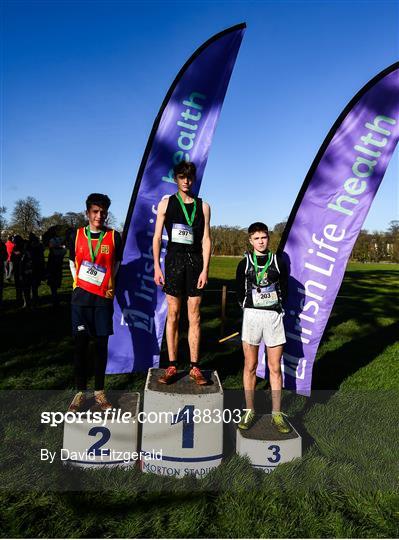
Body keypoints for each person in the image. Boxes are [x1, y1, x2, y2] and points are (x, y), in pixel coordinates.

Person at [153, 161, 211, 385]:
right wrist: (157, 266)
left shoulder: (203, 206)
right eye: (181, 177)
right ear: (176, 178)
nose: (186, 181)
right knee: (174, 315)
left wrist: (205, 269)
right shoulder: (166, 203)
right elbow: (157, 237)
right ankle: (172, 365)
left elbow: (206, 239)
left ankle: (195, 367)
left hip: (196, 262)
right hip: (174, 261)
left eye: (189, 177)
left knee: (194, 316)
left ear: (193, 179)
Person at [68, 193, 122, 412]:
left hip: (102, 300)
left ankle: (99, 391)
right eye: (95, 212)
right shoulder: (76, 235)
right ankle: (80, 393)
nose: (99, 216)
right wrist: (80, 283)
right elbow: (73, 262)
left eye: (103, 212)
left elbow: (116, 265)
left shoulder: (114, 236)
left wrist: (106, 284)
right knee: (80, 346)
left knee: (101, 347)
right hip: (80, 300)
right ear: (87, 213)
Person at [235, 222, 291, 433]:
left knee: (275, 367)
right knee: (250, 366)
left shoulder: (277, 261)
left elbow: (285, 286)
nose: (260, 241)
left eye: (264, 237)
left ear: (269, 238)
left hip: (273, 318)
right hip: (252, 317)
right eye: (256, 238)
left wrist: (278, 306)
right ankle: (250, 410)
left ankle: (277, 413)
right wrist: (248, 307)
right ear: (250, 240)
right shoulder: (245, 263)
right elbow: (238, 290)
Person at [46, 226, 66, 307]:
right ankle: (55, 297)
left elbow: (51, 247)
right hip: (58, 264)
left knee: (53, 283)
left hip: (53, 265)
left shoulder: (53, 242)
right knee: (55, 282)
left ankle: (54, 298)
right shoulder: (59, 241)